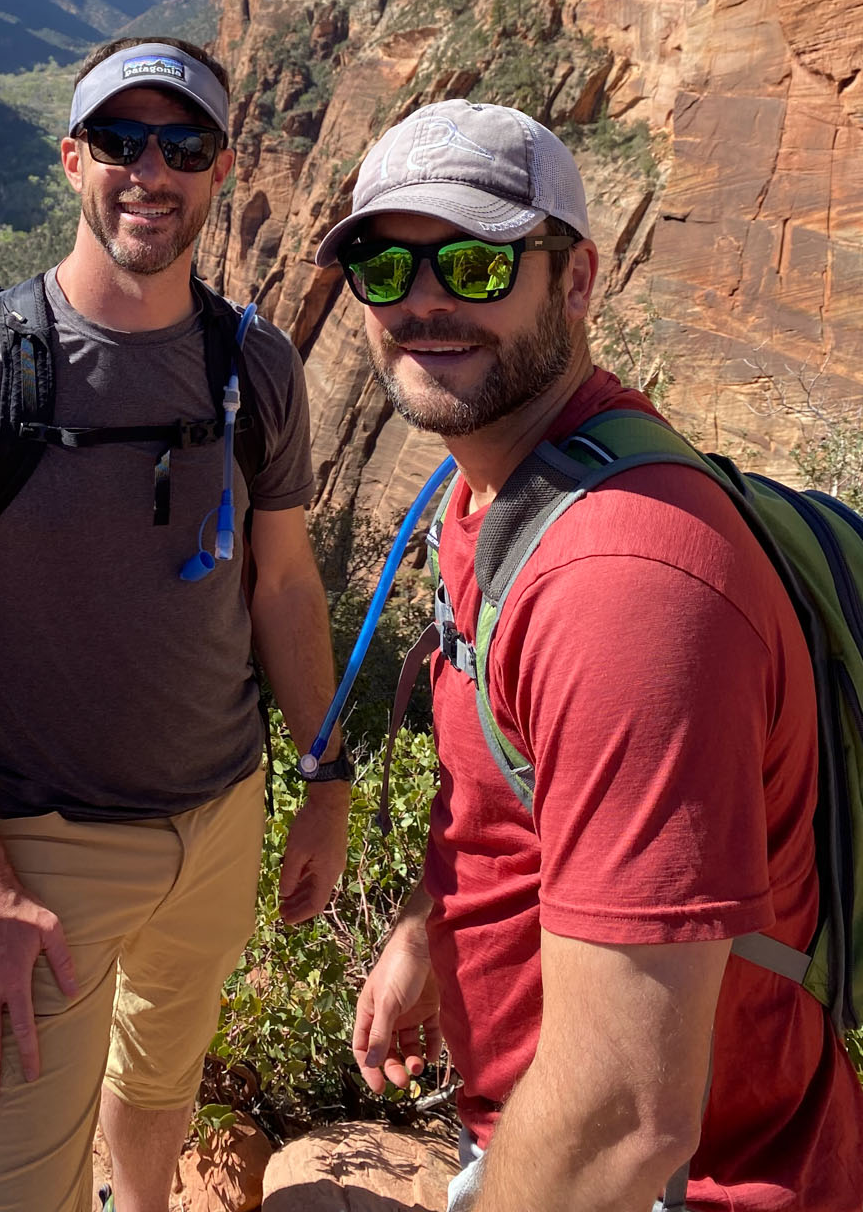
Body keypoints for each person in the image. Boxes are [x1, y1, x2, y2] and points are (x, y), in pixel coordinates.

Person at [319, 98, 863, 1212]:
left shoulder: (621, 584)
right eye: (384, 265)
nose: (421, 300)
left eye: (474, 265)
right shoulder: (507, 489)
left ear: (576, 281)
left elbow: (627, 1116)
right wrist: (431, 926)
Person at [0, 36, 352, 1212]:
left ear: (222, 169)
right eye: (123, 141)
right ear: (72, 155)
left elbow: (283, 586)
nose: (152, 171)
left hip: (224, 815)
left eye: (183, 145)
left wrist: (324, 780)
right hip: (46, 850)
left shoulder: (258, 366)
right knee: (3, 1188)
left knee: (160, 1081)